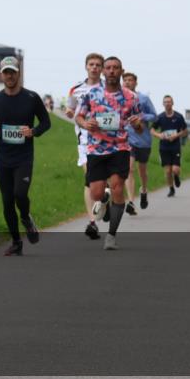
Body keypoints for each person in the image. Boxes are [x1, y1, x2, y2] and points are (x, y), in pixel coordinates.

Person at [0, 56, 52, 256]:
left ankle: (26, 218)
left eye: (13, 72)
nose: (10, 76)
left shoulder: (31, 98)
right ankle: (16, 242)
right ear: (1, 74)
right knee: (6, 202)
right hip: (3, 159)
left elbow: (46, 122)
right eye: (6, 72)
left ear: (18, 73)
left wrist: (34, 131)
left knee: (19, 194)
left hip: (24, 157)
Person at [75, 56, 144, 250]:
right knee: (96, 193)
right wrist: (85, 123)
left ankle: (111, 235)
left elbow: (139, 125)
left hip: (120, 148)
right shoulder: (91, 94)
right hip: (96, 149)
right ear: (104, 72)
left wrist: (138, 124)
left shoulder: (131, 97)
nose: (112, 71)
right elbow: (78, 116)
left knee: (117, 188)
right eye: (109, 68)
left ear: (122, 72)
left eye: (116, 68)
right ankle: (103, 199)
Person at [65, 53, 105, 239]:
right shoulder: (76, 89)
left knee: (103, 182)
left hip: (106, 141)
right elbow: (70, 109)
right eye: (91, 64)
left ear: (102, 68)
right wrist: (70, 112)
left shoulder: (110, 89)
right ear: (86, 67)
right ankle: (92, 222)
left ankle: (105, 202)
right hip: (85, 141)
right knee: (90, 179)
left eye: (98, 65)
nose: (95, 67)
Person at [121, 72, 156, 211]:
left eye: (130, 80)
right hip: (127, 139)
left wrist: (141, 116)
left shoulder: (143, 98)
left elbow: (154, 116)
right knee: (129, 169)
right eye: (125, 80)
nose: (128, 82)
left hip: (143, 140)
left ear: (136, 83)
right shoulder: (119, 98)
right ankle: (130, 201)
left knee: (142, 170)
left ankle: (144, 190)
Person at [151, 95, 188, 197]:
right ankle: (171, 189)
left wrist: (176, 135)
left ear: (172, 103)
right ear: (163, 104)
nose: (167, 103)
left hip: (175, 146)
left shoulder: (178, 117)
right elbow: (152, 130)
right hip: (164, 147)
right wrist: (159, 135)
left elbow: (185, 131)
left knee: (175, 169)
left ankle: (176, 176)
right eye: (165, 102)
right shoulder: (160, 117)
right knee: (167, 171)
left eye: (169, 102)